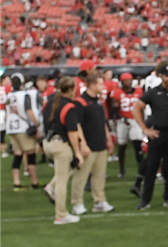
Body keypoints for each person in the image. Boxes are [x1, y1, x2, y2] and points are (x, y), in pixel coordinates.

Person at [132, 61, 168, 210]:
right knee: (151, 167)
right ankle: (145, 199)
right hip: (157, 134)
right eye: (167, 75)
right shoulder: (153, 93)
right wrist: (145, 129)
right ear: (161, 76)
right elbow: (137, 109)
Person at [70, 71, 115, 215]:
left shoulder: (98, 101)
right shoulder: (81, 102)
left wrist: (108, 139)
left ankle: (99, 200)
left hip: (100, 143)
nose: (103, 86)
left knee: (99, 175)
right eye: (101, 83)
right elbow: (76, 124)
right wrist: (82, 144)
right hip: (89, 144)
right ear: (93, 85)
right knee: (81, 176)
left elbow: (103, 122)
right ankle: (77, 203)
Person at [43, 77, 85, 225]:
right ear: (71, 89)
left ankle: (50, 186)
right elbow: (73, 132)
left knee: (65, 171)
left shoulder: (50, 102)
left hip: (48, 142)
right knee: (62, 180)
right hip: (60, 144)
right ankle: (61, 214)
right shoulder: (68, 107)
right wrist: (78, 153)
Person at [5, 73, 42, 192]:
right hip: (22, 127)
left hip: (11, 127)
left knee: (17, 155)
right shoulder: (24, 95)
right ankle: (34, 182)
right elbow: (29, 111)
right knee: (30, 154)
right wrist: (36, 125)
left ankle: (16, 182)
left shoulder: (9, 95)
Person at [112, 72, 145, 178]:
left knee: (137, 144)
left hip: (135, 120)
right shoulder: (117, 92)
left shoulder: (139, 91)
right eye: (126, 81)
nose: (128, 83)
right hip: (122, 121)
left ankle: (141, 169)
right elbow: (114, 107)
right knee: (122, 146)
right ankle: (122, 169)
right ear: (122, 82)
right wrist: (121, 117)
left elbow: (142, 106)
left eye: (130, 80)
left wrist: (143, 120)